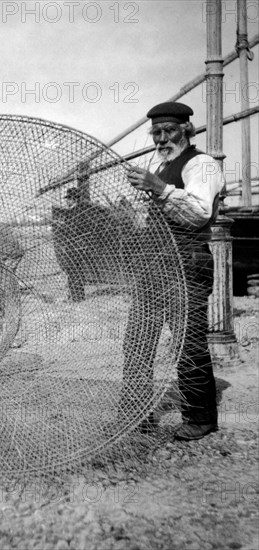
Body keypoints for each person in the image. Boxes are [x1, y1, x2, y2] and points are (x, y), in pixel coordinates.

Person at [124, 101, 223, 441]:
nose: (162, 139)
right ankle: (135, 416)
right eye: (156, 133)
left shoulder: (202, 164)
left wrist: (159, 189)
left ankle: (200, 418)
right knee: (137, 342)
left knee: (188, 343)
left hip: (187, 265)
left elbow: (198, 213)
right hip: (154, 268)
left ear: (187, 130)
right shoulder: (159, 165)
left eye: (169, 131)